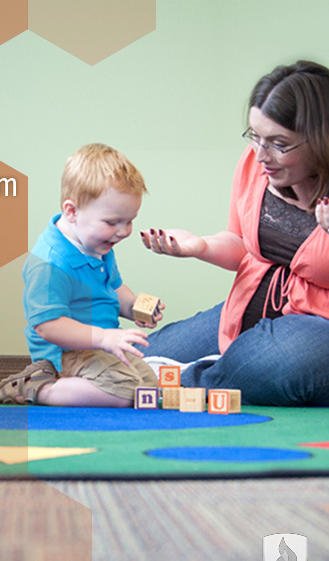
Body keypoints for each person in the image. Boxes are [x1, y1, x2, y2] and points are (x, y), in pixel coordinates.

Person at [140, 60, 329, 407]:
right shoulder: (255, 165)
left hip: (316, 327)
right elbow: (244, 245)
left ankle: (187, 380)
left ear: (321, 140)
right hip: (244, 311)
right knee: (144, 353)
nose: (261, 155)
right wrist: (199, 246)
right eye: (255, 136)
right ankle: (209, 371)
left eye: (278, 143)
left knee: (276, 363)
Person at [0, 143, 163, 407]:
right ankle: (38, 388)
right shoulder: (50, 263)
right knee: (126, 390)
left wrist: (134, 307)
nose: (123, 231)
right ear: (72, 212)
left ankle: (97, 385)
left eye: (129, 221)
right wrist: (103, 338)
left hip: (100, 345)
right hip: (65, 354)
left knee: (149, 384)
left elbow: (113, 287)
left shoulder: (98, 246)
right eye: (112, 222)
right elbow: (48, 325)